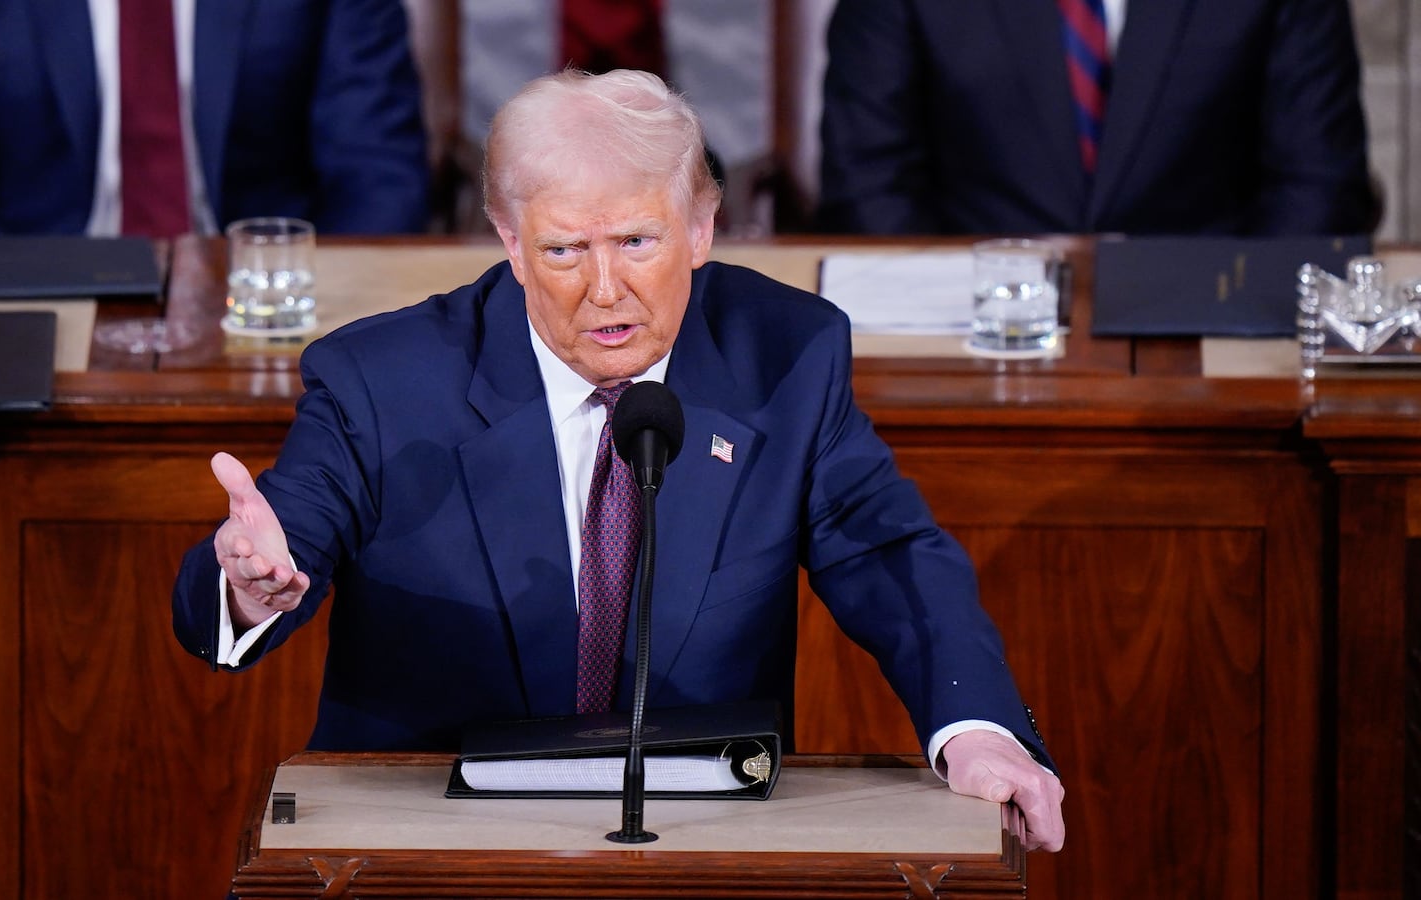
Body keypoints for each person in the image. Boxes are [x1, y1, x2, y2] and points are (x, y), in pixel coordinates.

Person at [171, 68, 1065, 851]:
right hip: (428, 845)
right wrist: (249, 584)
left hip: (694, 843)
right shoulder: (382, 379)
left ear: (704, 227)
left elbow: (889, 553)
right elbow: (289, 531)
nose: (606, 290)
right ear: (510, 241)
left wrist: (976, 728)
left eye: (638, 242)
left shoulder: (786, 356)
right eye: (564, 249)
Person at [0, 0, 429, 236]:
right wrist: (22, 298)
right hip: (35, 304)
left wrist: (322, 315)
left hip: (269, 311)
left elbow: (378, 171)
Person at [817, 0, 1377, 236]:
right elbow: (868, 181)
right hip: (969, 331)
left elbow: (1317, 184)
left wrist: (1249, 320)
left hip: (1209, 333)